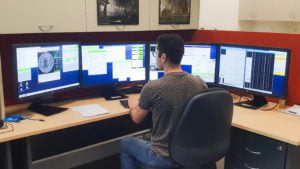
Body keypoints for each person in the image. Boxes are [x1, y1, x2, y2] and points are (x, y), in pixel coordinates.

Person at [120, 33, 208, 169]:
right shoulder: (199, 82)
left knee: (125, 143)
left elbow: (137, 118)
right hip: (189, 155)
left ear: (163, 57)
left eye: (156, 54)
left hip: (162, 157)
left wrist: (133, 105)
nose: (156, 58)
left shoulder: (153, 87)